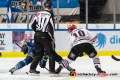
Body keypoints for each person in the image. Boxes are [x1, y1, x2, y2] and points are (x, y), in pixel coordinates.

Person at [9, 39, 75, 74]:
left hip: (43, 53)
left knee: (57, 59)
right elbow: (25, 41)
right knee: (27, 61)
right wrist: (24, 47)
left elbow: (60, 60)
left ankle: (68, 67)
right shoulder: (36, 42)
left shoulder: (51, 47)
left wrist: (44, 59)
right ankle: (14, 68)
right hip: (34, 51)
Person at [29, 1, 59, 76]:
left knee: (39, 53)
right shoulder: (50, 14)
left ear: (44, 6)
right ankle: (52, 71)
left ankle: (32, 69)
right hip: (45, 35)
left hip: (36, 35)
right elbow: (52, 27)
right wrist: (53, 37)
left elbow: (32, 25)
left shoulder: (38, 13)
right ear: (51, 7)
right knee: (52, 53)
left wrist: (38, 32)